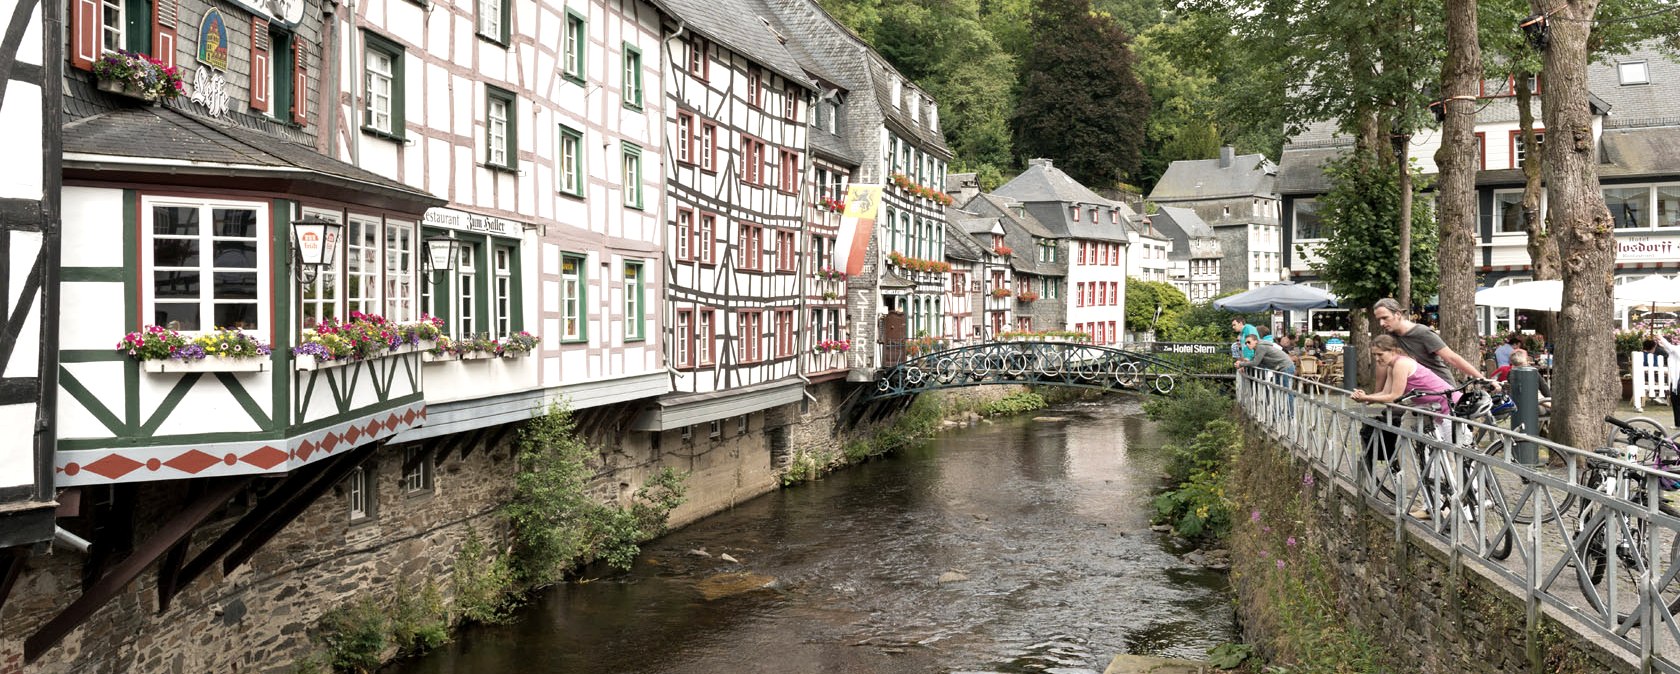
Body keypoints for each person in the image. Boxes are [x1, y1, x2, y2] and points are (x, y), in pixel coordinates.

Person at [1370, 297, 1493, 393]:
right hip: (1417, 391)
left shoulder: (1422, 333)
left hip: (1440, 388)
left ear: (1397, 314)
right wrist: (1377, 393)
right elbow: (1382, 364)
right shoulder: (1390, 337)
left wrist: (1483, 380)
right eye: (1379, 319)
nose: (1381, 323)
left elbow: (1452, 358)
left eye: (1385, 318)